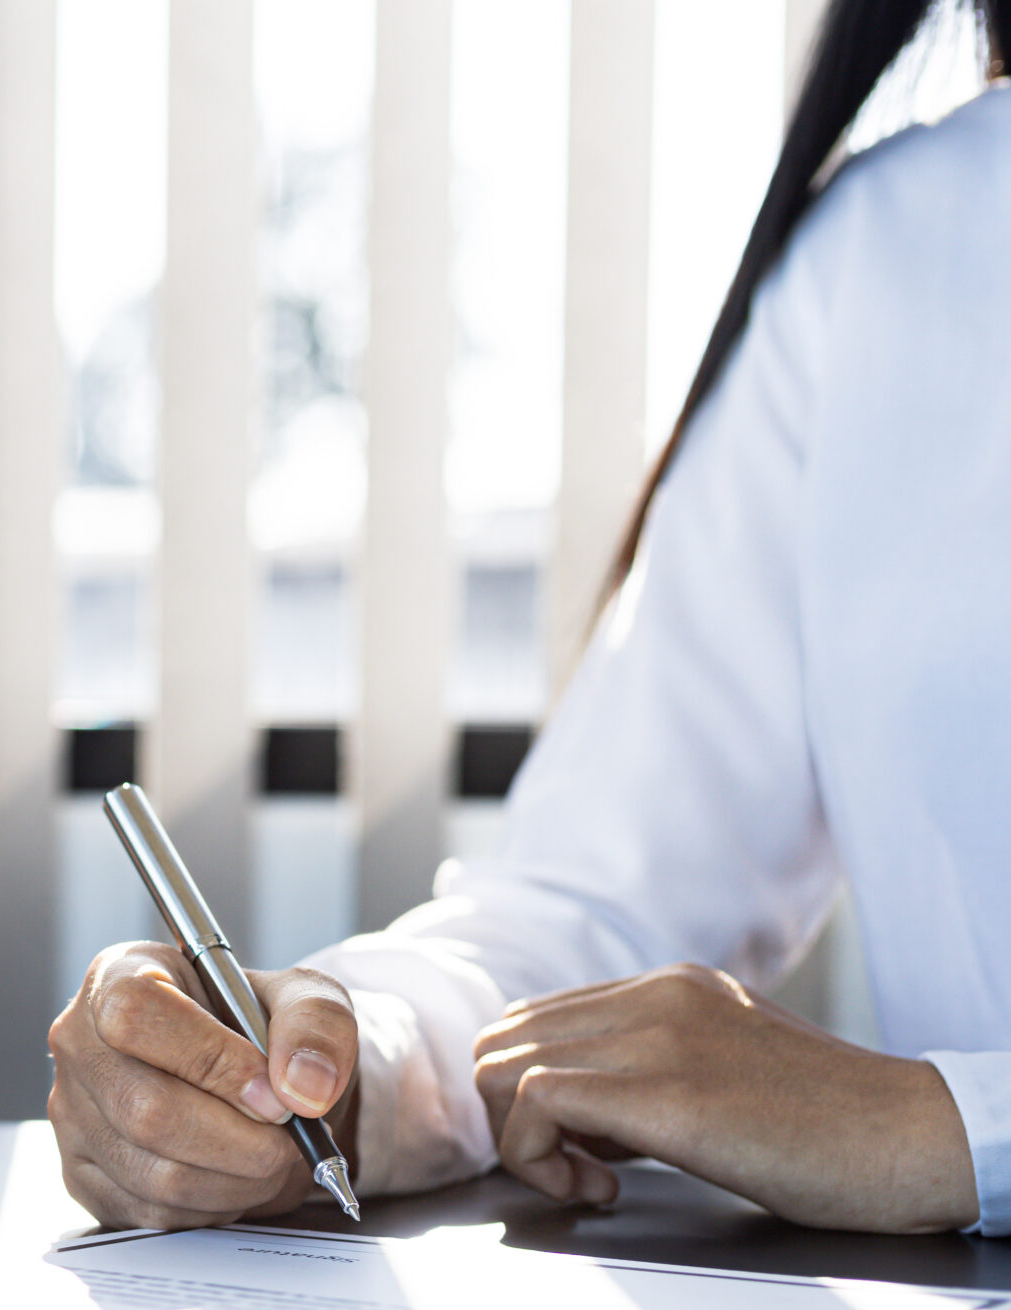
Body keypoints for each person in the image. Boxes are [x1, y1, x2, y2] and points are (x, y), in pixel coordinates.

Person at [49, 0, 1011, 1239]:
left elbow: (919, 1129)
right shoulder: (885, 250)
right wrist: (330, 1072)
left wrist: (944, 1131)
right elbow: (594, 913)